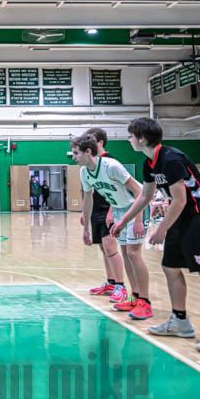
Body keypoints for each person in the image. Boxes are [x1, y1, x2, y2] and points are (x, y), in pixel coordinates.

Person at [112, 117, 200, 354]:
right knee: (170, 267)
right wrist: (123, 221)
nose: (129, 140)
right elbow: (145, 196)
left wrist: (161, 229)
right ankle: (180, 321)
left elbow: (180, 200)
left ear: (142, 138)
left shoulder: (171, 159)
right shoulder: (149, 164)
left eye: (131, 136)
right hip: (179, 218)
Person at [72, 134, 151, 320]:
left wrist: (138, 220)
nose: (73, 157)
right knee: (125, 253)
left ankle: (145, 302)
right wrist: (86, 228)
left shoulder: (111, 166)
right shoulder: (84, 172)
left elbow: (140, 191)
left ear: (88, 151)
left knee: (133, 254)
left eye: (75, 153)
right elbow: (88, 199)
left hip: (136, 208)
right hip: (118, 210)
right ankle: (135, 297)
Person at [80, 127, 127, 301]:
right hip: (96, 210)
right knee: (103, 247)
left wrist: (112, 211)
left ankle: (121, 286)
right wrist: (85, 212)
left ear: (100, 142)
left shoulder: (110, 162)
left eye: (91, 139)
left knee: (110, 247)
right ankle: (111, 282)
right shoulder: (90, 166)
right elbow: (89, 193)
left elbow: (120, 189)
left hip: (109, 209)